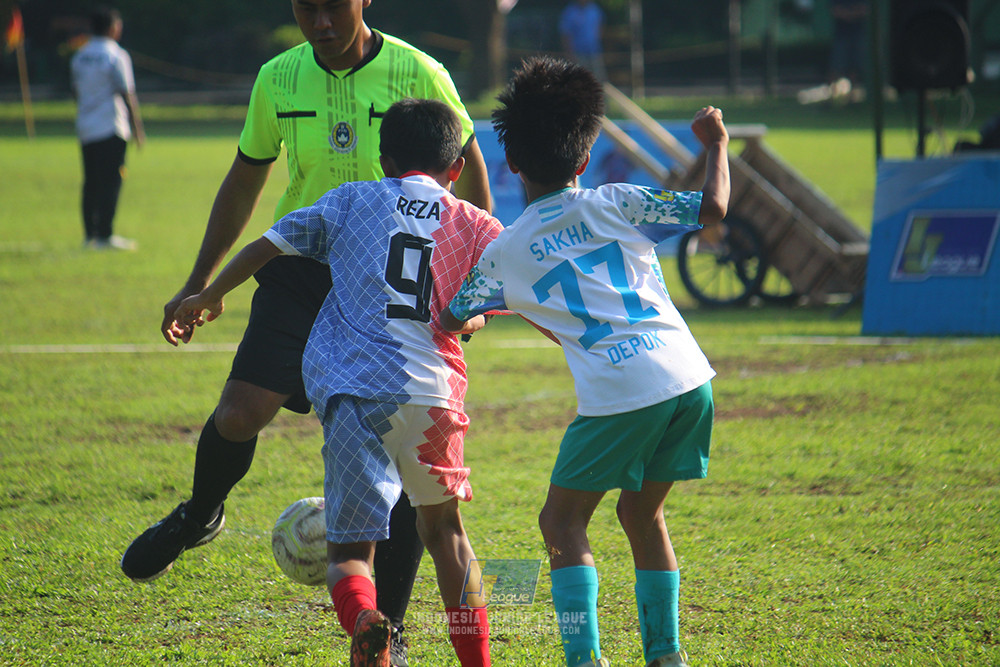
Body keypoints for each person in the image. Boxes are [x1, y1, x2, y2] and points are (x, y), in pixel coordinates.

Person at [120, 2, 492, 665]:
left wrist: (463, 283)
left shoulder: (421, 71)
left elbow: (471, 179)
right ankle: (202, 512)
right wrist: (200, 282)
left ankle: (388, 633)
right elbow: (245, 179)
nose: (318, 19)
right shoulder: (278, 79)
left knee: (402, 471)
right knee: (239, 413)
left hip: (388, 280)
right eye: (304, 6)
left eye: (332, 5)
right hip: (301, 267)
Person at [441, 56, 731, 667]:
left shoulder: (504, 252)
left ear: (512, 163)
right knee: (640, 512)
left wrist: (477, 317)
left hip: (622, 394)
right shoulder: (620, 202)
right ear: (584, 157)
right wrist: (717, 146)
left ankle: (584, 658)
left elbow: (453, 314)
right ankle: (666, 654)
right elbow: (713, 210)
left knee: (561, 523)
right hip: (689, 378)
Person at [70, 5, 144, 250]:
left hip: (86, 126)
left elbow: (76, 91)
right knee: (112, 181)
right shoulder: (116, 55)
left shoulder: (80, 55)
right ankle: (106, 235)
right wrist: (137, 128)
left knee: (90, 180)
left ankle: (89, 234)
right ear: (113, 27)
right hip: (111, 126)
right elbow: (127, 93)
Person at [558, 0, 606, 82]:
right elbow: (565, 34)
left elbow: (600, 27)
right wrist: (569, 53)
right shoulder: (570, 12)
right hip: (578, 53)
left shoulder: (594, 9)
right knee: (580, 80)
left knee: (599, 78)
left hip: (594, 51)